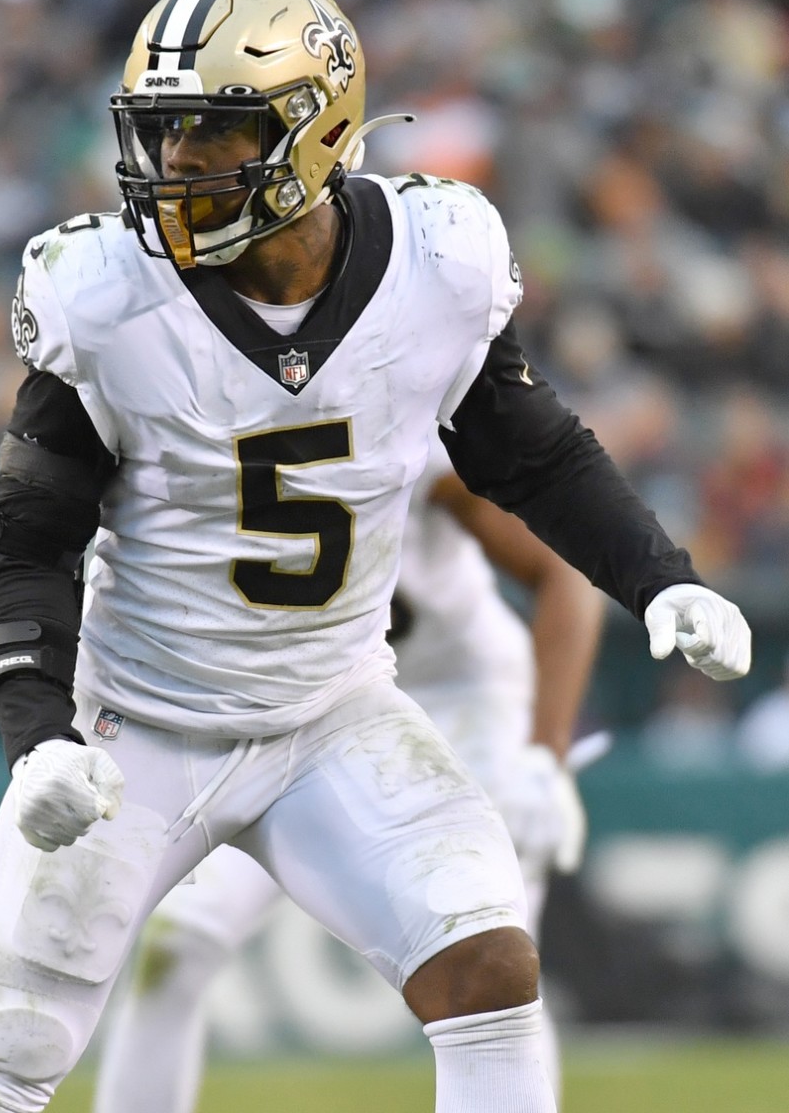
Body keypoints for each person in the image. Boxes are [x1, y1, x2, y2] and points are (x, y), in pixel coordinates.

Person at [0, 0, 750, 1113]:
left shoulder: (433, 264)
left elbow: (534, 450)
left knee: (487, 967)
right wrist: (39, 735)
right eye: (160, 136)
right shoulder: (111, 300)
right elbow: (23, 543)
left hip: (331, 714)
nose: (173, 167)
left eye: (210, 135)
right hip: (141, 729)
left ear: (309, 130)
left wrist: (655, 578)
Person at [92, 431, 607, 1113]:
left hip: (463, 705)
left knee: (491, 964)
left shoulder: (396, 429)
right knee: (180, 935)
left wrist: (545, 751)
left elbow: (563, 570)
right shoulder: (193, 421)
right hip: (313, 708)